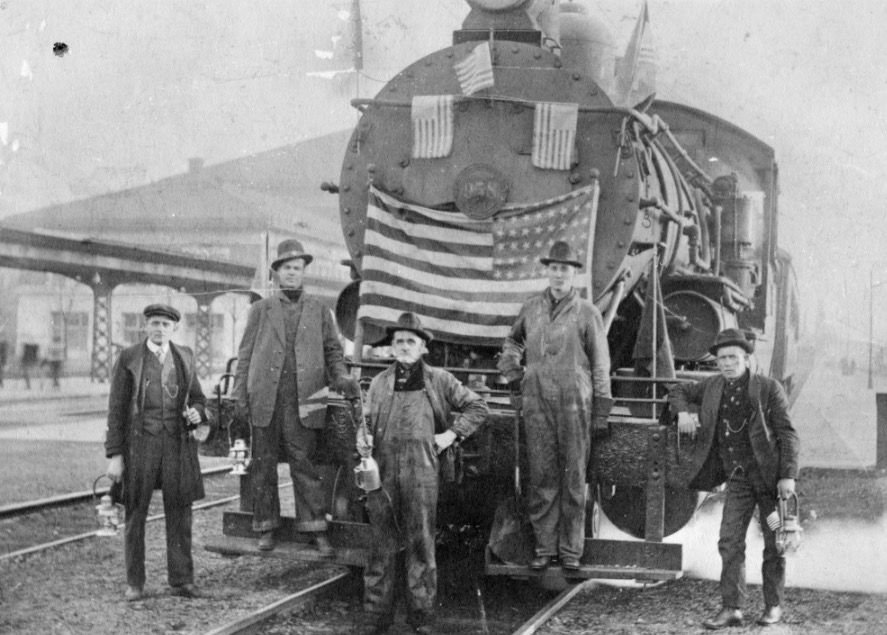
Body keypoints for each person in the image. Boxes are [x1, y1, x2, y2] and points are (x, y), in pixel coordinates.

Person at [354, 312, 488, 635]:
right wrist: (362, 439)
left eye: (410, 341)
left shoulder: (439, 380)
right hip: (382, 474)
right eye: (398, 341)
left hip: (423, 473)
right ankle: (376, 617)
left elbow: (478, 407)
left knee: (421, 544)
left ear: (423, 347)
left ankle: (423, 619)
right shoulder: (378, 383)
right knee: (380, 545)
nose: (403, 346)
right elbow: (366, 423)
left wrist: (452, 434)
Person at [232, 238, 359, 553]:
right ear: (276, 272)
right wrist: (239, 396)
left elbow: (333, 351)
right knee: (263, 464)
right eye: (287, 268)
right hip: (265, 399)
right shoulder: (260, 310)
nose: (292, 273)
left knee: (305, 464)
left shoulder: (319, 311)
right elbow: (245, 354)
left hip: (304, 400)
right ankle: (265, 527)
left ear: (304, 272)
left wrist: (342, 377)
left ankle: (315, 527)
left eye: (297, 268)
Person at [669, 328, 800, 629]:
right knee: (730, 541)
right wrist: (684, 413)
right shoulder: (712, 387)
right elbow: (676, 390)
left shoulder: (768, 389)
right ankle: (732, 608)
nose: (727, 363)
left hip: (770, 484)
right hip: (739, 482)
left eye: (733, 357)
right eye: (721, 359)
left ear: (746, 358)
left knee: (775, 540)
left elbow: (788, 435)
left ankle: (773, 606)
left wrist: (787, 477)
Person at [497, 240, 612, 571]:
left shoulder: (588, 313)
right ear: (546, 271)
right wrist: (514, 372)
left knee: (573, 477)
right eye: (554, 268)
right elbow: (512, 341)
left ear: (574, 273)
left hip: (575, 405)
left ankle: (571, 552)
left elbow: (601, 364)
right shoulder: (532, 308)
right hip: (537, 403)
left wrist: (601, 410)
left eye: (565, 269)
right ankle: (545, 548)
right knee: (543, 476)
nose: (559, 274)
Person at [104, 304, 208, 602]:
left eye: (165, 324)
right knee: (135, 514)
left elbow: (200, 399)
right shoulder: (129, 358)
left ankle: (181, 580)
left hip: (177, 446)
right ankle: (135, 583)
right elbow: (116, 410)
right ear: (145, 326)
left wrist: (197, 414)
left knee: (180, 515)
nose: (160, 329)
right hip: (141, 447)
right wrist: (115, 454)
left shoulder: (184, 356)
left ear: (174, 328)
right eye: (154, 323)